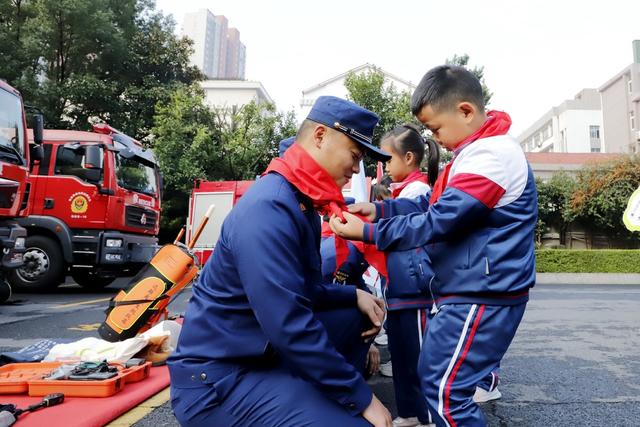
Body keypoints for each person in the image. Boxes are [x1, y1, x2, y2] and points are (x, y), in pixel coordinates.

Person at [330, 65, 537, 427]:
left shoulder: (493, 155)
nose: (434, 137)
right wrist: (379, 209)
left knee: (446, 394)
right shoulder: (474, 152)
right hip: (467, 287)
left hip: (482, 290)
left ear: (466, 111)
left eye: (437, 128)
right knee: (436, 381)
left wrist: (368, 233)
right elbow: (432, 207)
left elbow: (440, 220)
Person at [168, 95, 394, 427]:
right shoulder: (270, 208)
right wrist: (360, 397)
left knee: (352, 313)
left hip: (258, 355)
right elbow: (289, 323)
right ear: (320, 136)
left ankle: (312, 398)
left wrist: (354, 294)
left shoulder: (299, 203)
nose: (356, 169)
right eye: (354, 155)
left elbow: (306, 291)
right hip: (218, 382)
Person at [378, 124, 436, 427]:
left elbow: (404, 225)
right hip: (399, 287)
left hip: (415, 289)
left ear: (409, 157)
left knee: (417, 359)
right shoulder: (402, 190)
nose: (386, 167)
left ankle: (425, 416)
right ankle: (410, 412)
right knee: (401, 357)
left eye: (388, 159)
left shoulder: (419, 191)